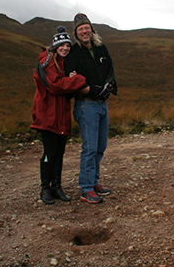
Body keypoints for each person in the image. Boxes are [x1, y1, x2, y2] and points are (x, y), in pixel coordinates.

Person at [30, 26, 89, 204]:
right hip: (47, 117)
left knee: (59, 153)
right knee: (49, 153)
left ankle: (57, 187)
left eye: (68, 45)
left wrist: (71, 81)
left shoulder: (63, 64)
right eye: (62, 45)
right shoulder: (46, 60)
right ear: (55, 46)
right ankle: (45, 189)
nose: (65, 48)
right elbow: (55, 85)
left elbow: (66, 91)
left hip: (61, 117)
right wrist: (78, 80)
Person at [65, 13, 117, 204]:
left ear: (91, 30)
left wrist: (109, 87)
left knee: (100, 146)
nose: (84, 31)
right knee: (90, 147)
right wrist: (95, 90)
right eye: (80, 29)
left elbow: (110, 70)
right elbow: (73, 80)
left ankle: (94, 182)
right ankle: (86, 188)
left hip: (102, 105)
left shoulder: (101, 48)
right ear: (76, 33)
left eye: (87, 28)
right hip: (86, 105)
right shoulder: (73, 53)